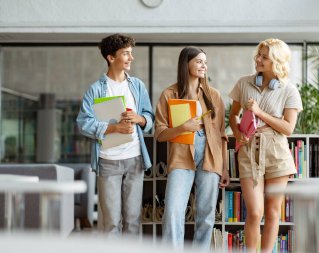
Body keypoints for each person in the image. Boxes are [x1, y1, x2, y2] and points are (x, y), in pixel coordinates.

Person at [228, 38, 303, 253]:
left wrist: (260, 113)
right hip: (249, 152)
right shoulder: (244, 83)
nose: (257, 59)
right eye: (258, 54)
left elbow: (288, 128)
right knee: (254, 212)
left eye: (264, 57)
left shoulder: (289, 90)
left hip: (277, 154)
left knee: (271, 212)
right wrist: (237, 133)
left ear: (276, 61)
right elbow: (232, 115)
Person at [76, 33, 154, 236]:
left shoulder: (137, 86)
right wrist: (114, 128)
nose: (131, 58)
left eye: (131, 53)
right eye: (126, 54)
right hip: (108, 160)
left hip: (135, 159)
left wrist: (140, 119)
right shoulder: (95, 90)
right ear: (111, 58)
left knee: (133, 220)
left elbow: (149, 116)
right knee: (111, 222)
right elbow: (83, 123)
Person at [154, 46, 230, 251]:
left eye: (205, 62)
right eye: (199, 61)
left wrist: (224, 168)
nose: (204, 66)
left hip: (210, 156)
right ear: (185, 64)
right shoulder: (169, 94)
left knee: (206, 215)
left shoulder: (214, 95)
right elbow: (160, 133)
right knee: (172, 212)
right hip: (180, 157)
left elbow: (222, 135)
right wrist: (183, 127)